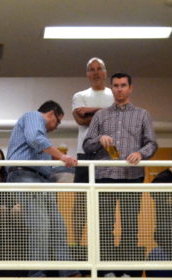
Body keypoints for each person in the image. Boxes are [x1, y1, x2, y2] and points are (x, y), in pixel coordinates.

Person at [82, 72, 158, 265]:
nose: (119, 89)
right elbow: (87, 145)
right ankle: (104, 267)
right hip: (104, 175)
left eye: (123, 85)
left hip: (131, 175)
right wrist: (99, 140)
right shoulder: (101, 115)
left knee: (130, 224)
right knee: (104, 224)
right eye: (115, 86)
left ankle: (127, 268)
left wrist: (141, 154)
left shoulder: (142, 114)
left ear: (130, 88)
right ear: (111, 88)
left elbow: (152, 144)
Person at [6, 100, 77, 269]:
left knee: (58, 225)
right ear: (50, 114)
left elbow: (46, 163)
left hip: (41, 179)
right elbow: (35, 139)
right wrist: (62, 156)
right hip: (24, 174)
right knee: (40, 224)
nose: (56, 126)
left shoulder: (45, 141)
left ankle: (67, 270)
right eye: (57, 122)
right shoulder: (32, 116)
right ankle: (38, 273)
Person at [71, 57, 113, 240]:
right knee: (81, 200)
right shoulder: (79, 96)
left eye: (99, 69)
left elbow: (119, 120)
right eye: (91, 69)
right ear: (87, 74)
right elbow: (80, 120)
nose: (95, 72)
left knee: (106, 201)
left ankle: (104, 245)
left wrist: (92, 110)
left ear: (105, 72)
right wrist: (108, 112)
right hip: (85, 152)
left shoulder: (114, 94)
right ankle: (78, 243)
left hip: (111, 153)